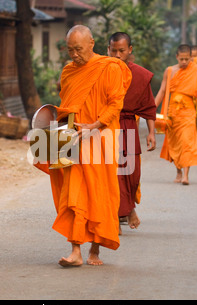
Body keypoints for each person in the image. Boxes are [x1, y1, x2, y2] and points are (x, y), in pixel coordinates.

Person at [34, 25, 132, 267]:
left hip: (101, 136)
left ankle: (95, 250)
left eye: (78, 49)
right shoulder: (68, 71)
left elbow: (115, 104)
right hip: (72, 136)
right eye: (70, 50)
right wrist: (50, 132)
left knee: (98, 193)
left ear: (92, 43)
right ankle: (75, 250)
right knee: (73, 193)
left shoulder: (109, 68)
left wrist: (94, 125)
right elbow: (66, 104)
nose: (74, 54)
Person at [107, 32, 156, 233]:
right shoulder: (102, 70)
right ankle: (117, 215)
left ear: (130, 50)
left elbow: (148, 106)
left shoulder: (140, 75)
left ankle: (128, 209)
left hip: (128, 125)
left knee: (131, 174)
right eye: (113, 50)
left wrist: (151, 133)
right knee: (113, 173)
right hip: (108, 127)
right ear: (108, 49)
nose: (117, 55)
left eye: (121, 50)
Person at [154, 44, 197, 185]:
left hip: (188, 111)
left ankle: (186, 175)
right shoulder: (170, 71)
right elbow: (162, 91)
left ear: (191, 58)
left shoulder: (196, 70)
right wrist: (151, 108)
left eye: (187, 59)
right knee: (175, 143)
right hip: (173, 111)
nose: (184, 62)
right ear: (177, 57)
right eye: (182, 59)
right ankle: (178, 171)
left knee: (187, 142)